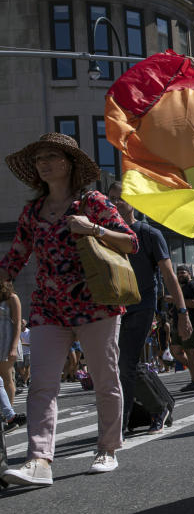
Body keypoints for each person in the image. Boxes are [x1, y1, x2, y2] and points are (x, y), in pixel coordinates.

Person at [0, 132, 138, 487]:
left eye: (51, 156)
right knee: (43, 385)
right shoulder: (33, 211)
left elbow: (130, 242)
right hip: (48, 308)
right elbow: (15, 257)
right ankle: (39, 460)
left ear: (70, 164)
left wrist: (93, 228)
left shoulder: (91, 201)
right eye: (39, 158)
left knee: (105, 380)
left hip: (96, 304)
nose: (43, 163)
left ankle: (107, 448)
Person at [106, 182, 194, 433]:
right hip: (115, 309)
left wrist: (182, 314)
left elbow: (169, 276)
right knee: (119, 363)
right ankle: (145, 409)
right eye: (111, 199)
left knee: (126, 363)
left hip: (142, 307)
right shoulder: (106, 236)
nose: (115, 203)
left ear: (134, 201)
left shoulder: (149, 234)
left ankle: (155, 409)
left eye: (120, 198)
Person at [169, 265, 194, 391]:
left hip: (192, 324)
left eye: (183, 272)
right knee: (175, 350)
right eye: (178, 273)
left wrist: (177, 299)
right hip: (178, 325)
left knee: (190, 351)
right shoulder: (181, 288)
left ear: (189, 273)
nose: (180, 274)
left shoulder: (193, 285)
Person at [0, 281, 21, 408]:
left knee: (6, 377)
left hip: (6, 341)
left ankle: (9, 415)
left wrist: (13, 348)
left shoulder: (12, 297)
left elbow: (17, 323)